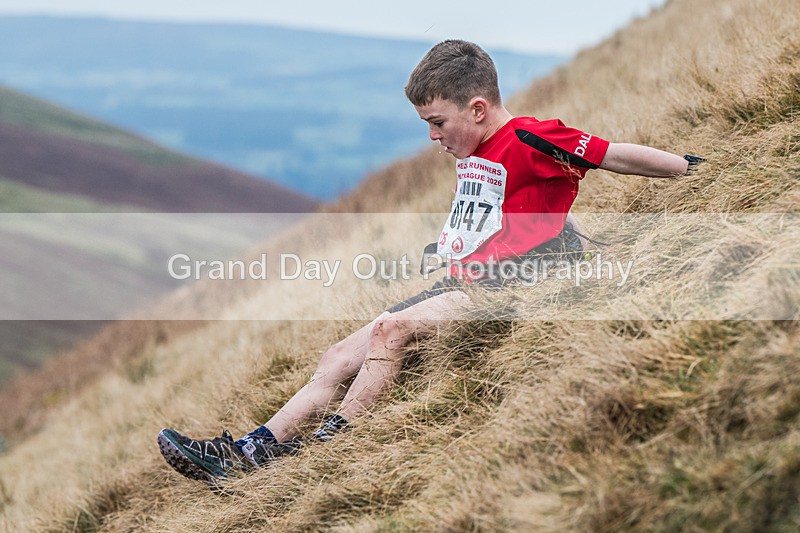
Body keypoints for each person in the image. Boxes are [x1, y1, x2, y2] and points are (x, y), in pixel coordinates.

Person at [158, 39, 703, 487]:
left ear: (478, 109)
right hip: (466, 277)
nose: (433, 137)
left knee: (391, 332)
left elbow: (613, 154)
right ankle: (244, 454)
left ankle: (331, 451)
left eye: (438, 123)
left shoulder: (532, 136)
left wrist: (687, 168)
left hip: (510, 285)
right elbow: (504, 212)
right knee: (337, 356)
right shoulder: (474, 148)